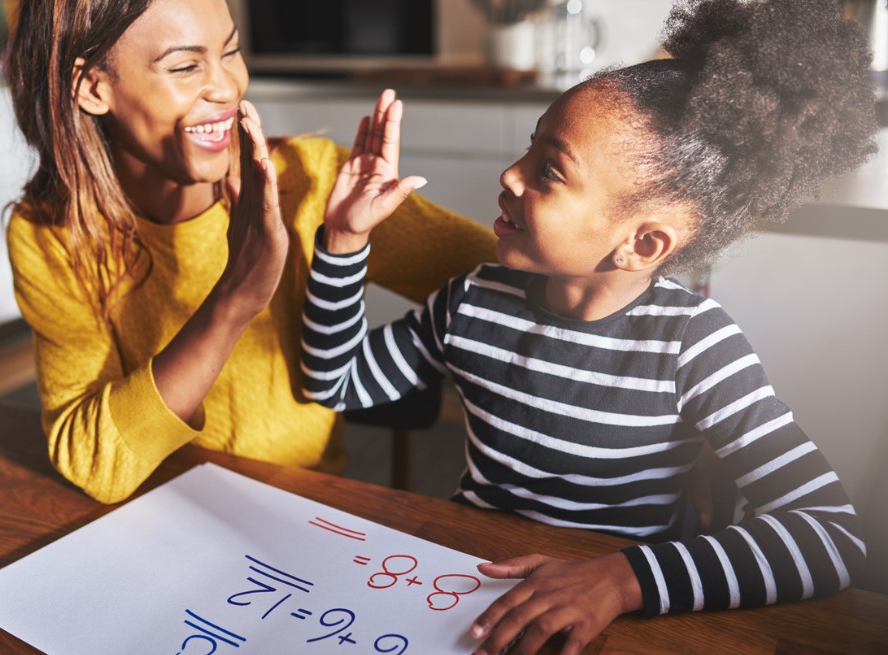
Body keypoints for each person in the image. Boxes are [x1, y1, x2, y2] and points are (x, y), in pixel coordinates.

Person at [298, 0, 879, 653]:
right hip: (470, 577)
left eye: (549, 169)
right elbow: (334, 382)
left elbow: (830, 535)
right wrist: (345, 240)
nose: (509, 175)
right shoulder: (473, 300)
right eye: (529, 148)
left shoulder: (693, 344)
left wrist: (620, 580)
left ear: (641, 243)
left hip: (612, 604)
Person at [3, 0, 498, 504]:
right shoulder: (51, 233)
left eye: (231, 51)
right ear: (92, 88)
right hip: (152, 510)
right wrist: (233, 300)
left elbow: (530, 282)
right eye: (185, 66)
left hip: (305, 507)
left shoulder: (315, 181)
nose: (227, 88)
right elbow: (94, 463)